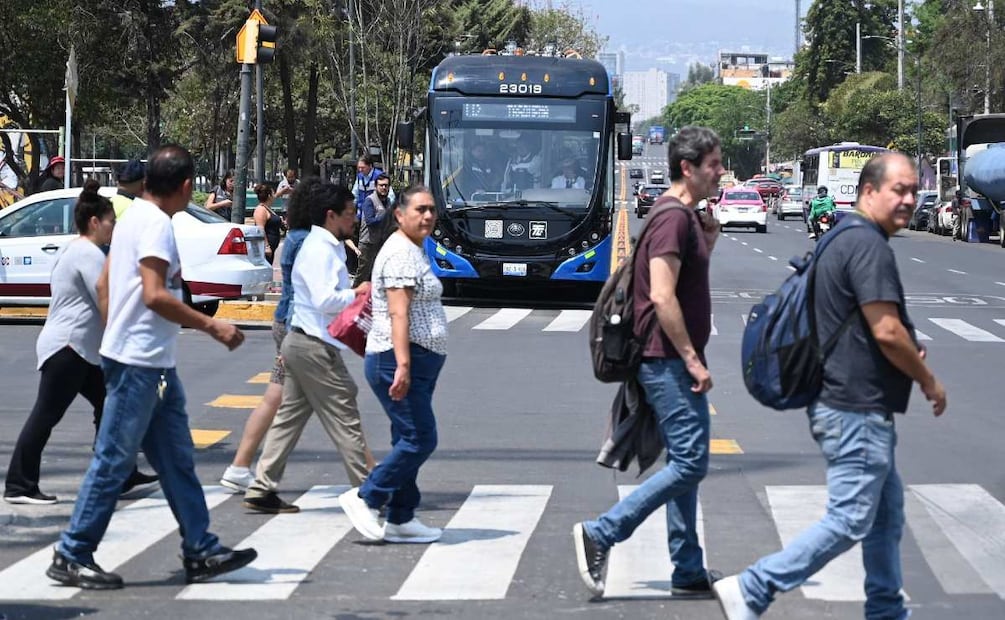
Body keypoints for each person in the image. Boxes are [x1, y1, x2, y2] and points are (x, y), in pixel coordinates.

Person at [714, 153, 948, 620]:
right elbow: (885, 330)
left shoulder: (841, 234)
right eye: (897, 190)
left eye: (912, 190)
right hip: (854, 406)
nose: (907, 200)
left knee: (884, 517)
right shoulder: (867, 245)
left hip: (847, 400)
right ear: (867, 192)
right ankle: (754, 587)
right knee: (851, 518)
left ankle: (885, 609)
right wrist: (929, 382)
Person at [48, 145, 256, 590]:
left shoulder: (132, 219)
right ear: (184, 187)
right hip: (139, 364)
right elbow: (156, 294)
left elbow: (106, 284)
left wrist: (114, 331)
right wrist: (212, 325)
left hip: (150, 361)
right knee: (113, 461)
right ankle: (72, 552)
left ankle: (200, 548)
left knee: (177, 460)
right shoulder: (157, 225)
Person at [572, 126, 725, 598]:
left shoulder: (685, 217)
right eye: (713, 164)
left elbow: (681, 283)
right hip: (665, 359)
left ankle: (687, 567)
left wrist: (711, 239)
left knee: (685, 459)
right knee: (692, 462)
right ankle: (603, 531)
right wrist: (690, 359)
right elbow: (661, 294)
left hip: (669, 359)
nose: (720, 172)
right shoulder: (671, 219)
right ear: (688, 168)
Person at [4, 181, 156, 505]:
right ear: (94, 222)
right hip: (68, 349)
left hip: (80, 351)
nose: (114, 228)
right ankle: (19, 485)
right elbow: (107, 298)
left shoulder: (77, 249)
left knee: (110, 404)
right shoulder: (87, 254)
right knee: (46, 415)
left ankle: (121, 473)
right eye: (111, 222)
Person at [242, 182, 375, 514]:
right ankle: (371, 490)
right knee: (345, 411)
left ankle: (261, 487)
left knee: (290, 415)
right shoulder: (319, 249)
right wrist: (357, 293)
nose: (354, 219)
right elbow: (326, 300)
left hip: (303, 342)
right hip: (313, 344)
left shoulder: (324, 245)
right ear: (330, 216)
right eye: (349, 214)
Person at [339, 184, 448, 544]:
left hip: (414, 358)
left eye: (431, 209)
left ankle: (402, 516)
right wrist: (402, 365)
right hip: (397, 358)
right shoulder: (401, 252)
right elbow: (399, 313)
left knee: (406, 435)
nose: (428, 216)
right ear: (399, 215)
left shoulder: (413, 250)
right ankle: (366, 496)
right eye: (420, 210)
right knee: (420, 437)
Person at [219, 179, 314, 492]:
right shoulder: (304, 241)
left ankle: (247, 467)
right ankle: (248, 468)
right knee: (302, 402)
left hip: (293, 325)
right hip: (296, 327)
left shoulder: (302, 238)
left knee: (284, 399)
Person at [354, 173, 393, 286]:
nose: (384, 188)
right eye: (381, 185)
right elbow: (370, 221)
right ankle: (353, 298)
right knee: (362, 274)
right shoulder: (369, 201)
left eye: (386, 185)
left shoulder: (388, 202)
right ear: (376, 186)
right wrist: (387, 216)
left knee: (376, 274)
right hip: (367, 244)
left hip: (380, 243)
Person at [253, 184, 284, 265]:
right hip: (266, 249)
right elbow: (261, 228)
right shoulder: (261, 209)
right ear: (269, 196)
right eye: (273, 193)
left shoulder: (268, 209)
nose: (275, 196)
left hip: (273, 247)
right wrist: (266, 246)